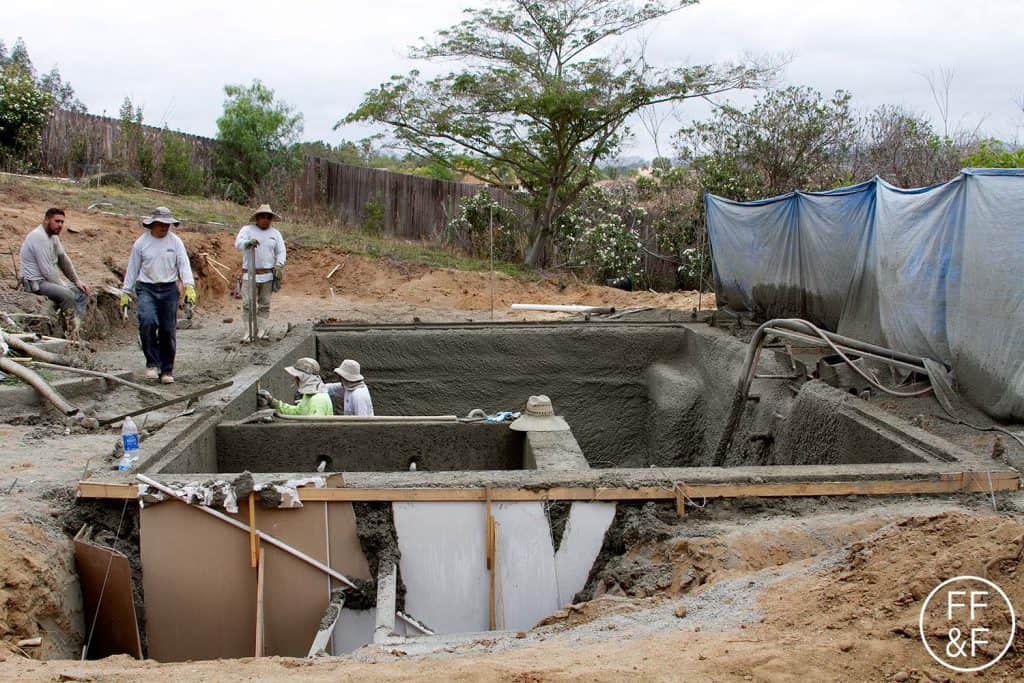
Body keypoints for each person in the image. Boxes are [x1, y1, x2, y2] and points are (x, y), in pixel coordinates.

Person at [119, 207, 196, 384]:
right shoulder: (141, 244)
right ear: (152, 224)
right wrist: (126, 291)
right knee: (147, 321)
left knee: (168, 330)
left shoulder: (175, 242)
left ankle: (167, 369)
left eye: (167, 224)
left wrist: (189, 286)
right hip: (147, 288)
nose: (164, 228)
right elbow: (132, 268)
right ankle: (152, 363)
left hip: (169, 289)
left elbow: (183, 265)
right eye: (161, 224)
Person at [18, 208, 90, 337]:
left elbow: (63, 259)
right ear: (46, 220)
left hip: (46, 280)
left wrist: (77, 280)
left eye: (62, 222)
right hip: (35, 283)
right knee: (68, 295)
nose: (60, 225)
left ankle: (77, 327)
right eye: (57, 221)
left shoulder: (53, 237)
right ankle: (69, 332)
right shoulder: (39, 237)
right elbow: (47, 271)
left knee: (82, 292)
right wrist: (64, 286)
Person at [235, 204, 286, 343]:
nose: (265, 219)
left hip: (267, 275)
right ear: (257, 218)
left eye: (268, 217)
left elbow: (281, 251)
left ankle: (261, 331)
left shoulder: (275, 234)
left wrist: (278, 265)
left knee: (264, 304)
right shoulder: (247, 230)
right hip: (250, 274)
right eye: (262, 217)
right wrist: (247, 243)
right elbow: (238, 243)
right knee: (248, 304)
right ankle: (248, 332)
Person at [258, 357, 333, 415]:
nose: (295, 380)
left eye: (296, 377)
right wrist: (272, 402)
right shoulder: (309, 396)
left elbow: (313, 428)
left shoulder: (318, 399)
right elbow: (296, 412)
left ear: (302, 378)